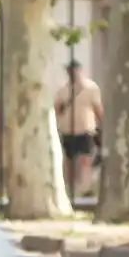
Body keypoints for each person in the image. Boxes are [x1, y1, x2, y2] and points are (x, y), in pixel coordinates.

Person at [54, 60, 104, 197]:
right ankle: (69, 188)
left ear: (80, 71)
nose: (72, 73)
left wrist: (103, 126)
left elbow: (98, 109)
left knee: (86, 160)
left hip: (86, 129)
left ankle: (85, 187)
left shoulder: (91, 88)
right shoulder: (62, 89)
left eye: (74, 70)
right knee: (68, 161)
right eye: (69, 70)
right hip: (67, 130)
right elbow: (57, 110)